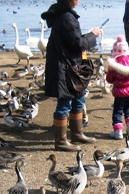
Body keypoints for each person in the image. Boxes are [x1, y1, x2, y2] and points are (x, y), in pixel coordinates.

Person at [41, 0, 102, 152]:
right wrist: (93, 35)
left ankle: (77, 133)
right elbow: (78, 44)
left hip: (72, 66)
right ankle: (61, 141)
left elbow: (72, 40)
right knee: (65, 103)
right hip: (65, 68)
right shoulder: (66, 17)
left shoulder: (63, 15)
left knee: (78, 98)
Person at [106, 35, 129, 139]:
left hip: (120, 92)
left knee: (117, 111)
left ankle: (118, 132)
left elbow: (109, 79)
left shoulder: (114, 64)